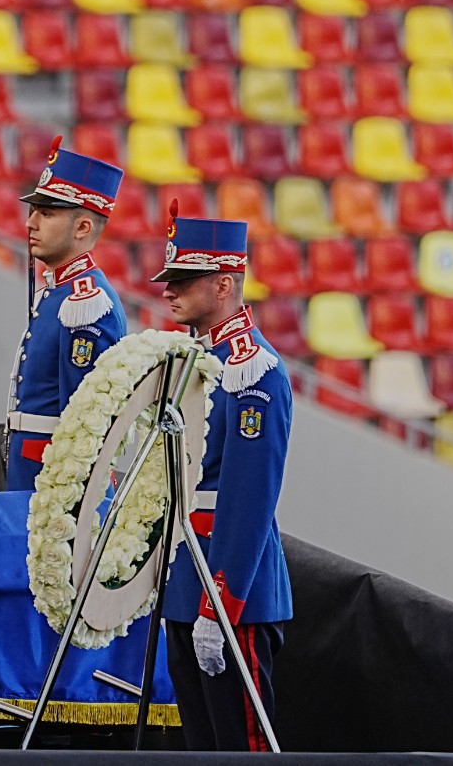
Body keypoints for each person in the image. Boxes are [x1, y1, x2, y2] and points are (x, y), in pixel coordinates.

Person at [150, 204, 293, 752]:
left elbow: (247, 500)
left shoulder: (252, 371)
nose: (169, 289)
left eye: (184, 279)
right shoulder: (192, 360)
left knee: (242, 746)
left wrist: (220, 605)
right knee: (203, 746)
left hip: (228, 589)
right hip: (189, 583)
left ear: (224, 283)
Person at [6, 135, 127, 492]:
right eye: (34, 211)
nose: (30, 223)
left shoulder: (85, 306)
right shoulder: (61, 293)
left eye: (47, 213)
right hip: (31, 472)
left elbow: (82, 425)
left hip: (52, 486)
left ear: (83, 227)